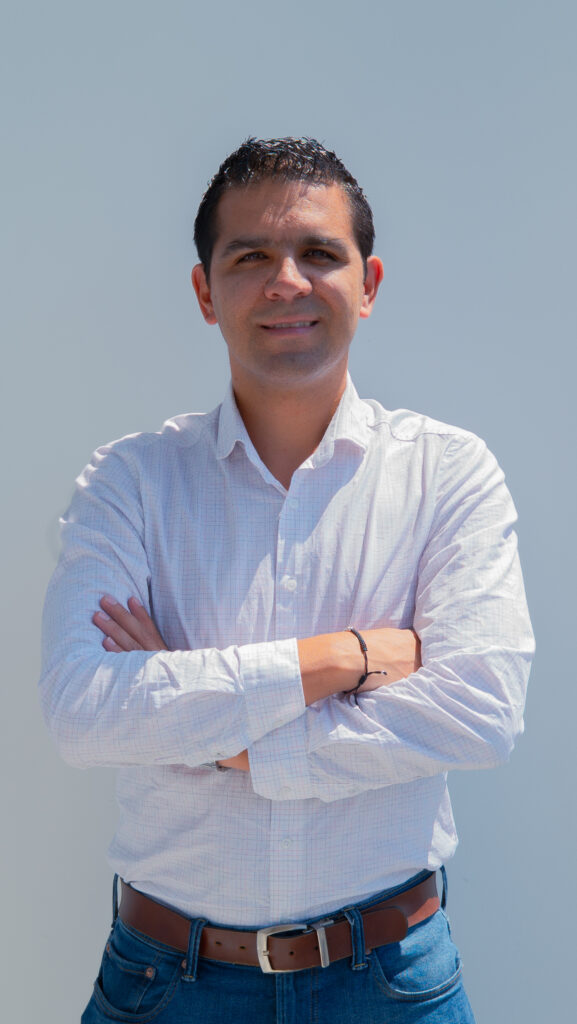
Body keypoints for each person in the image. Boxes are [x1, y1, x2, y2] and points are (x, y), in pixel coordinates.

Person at [39, 137, 534, 1023]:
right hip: (167, 983)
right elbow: (83, 712)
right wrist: (338, 659)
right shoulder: (130, 481)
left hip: (392, 982)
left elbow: (479, 710)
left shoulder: (447, 474)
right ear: (205, 291)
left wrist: (216, 736)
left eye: (318, 253)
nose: (287, 282)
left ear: (367, 284)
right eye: (251, 257)